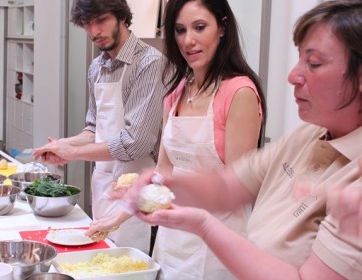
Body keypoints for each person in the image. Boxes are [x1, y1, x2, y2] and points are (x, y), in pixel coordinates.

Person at [118, 1, 362, 279]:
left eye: (314, 63)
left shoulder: (239, 91)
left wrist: (203, 225)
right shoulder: (308, 135)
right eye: (180, 30)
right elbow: (226, 186)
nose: (292, 76)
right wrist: (154, 186)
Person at [87, 0, 265, 279]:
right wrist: (120, 214)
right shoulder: (177, 91)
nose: (188, 40)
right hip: (172, 240)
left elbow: (234, 189)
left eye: (200, 27)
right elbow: (164, 173)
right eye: (180, 30)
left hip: (218, 244)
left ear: (222, 28)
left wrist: (167, 189)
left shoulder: (238, 92)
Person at [32, 0, 168, 254]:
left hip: (137, 185)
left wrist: (74, 153)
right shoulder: (97, 68)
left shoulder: (149, 63)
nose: (94, 31)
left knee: (129, 262)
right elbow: (94, 128)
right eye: (87, 24)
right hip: (104, 182)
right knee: (101, 255)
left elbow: (136, 143)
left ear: (121, 16)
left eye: (101, 20)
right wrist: (63, 145)